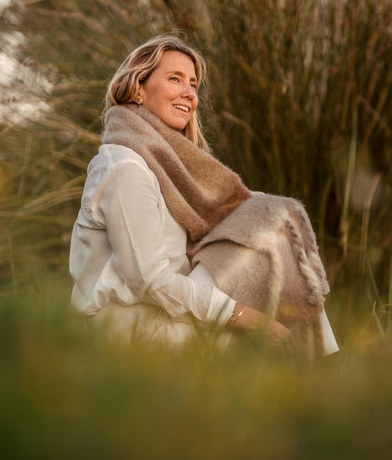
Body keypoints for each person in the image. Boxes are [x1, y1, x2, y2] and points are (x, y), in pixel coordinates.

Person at [69, 35, 338, 357]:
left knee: (274, 226)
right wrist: (243, 316)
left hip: (168, 312)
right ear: (138, 89)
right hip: (133, 331)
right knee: (264, 330)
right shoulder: (127, 168)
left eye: (193, 85)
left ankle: (327, 368)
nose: (189, 94)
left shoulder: (168, 169)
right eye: (175, 79)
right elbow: (149, 280)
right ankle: (329, 371)